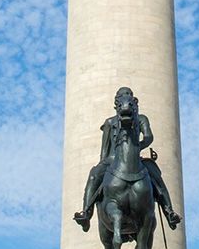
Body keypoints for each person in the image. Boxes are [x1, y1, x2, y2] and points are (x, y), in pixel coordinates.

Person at [74, 86, 180, 230]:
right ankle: (86, 212)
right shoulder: (109, 122)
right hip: (111, 159)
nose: (126, 98)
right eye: (122, 96)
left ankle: (169, 212)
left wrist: (137, 148)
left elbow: (148, 137)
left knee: (156, 177)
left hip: (136, 157)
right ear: (117, 103)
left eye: (129, 95)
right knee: (93, 175)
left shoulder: (141, 119)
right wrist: (102, 164)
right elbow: (104, 148)